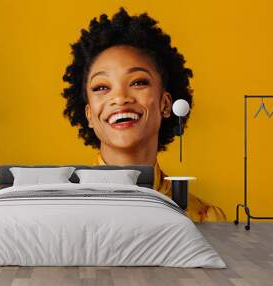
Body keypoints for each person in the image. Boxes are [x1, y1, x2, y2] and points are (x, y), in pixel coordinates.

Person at [61, 7, 226, 222]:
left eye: (138, 82)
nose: (120, 98)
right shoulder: (63, 213)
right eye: (102, 87)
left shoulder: (205, 218)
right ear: (89, 114)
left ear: (166, 104)